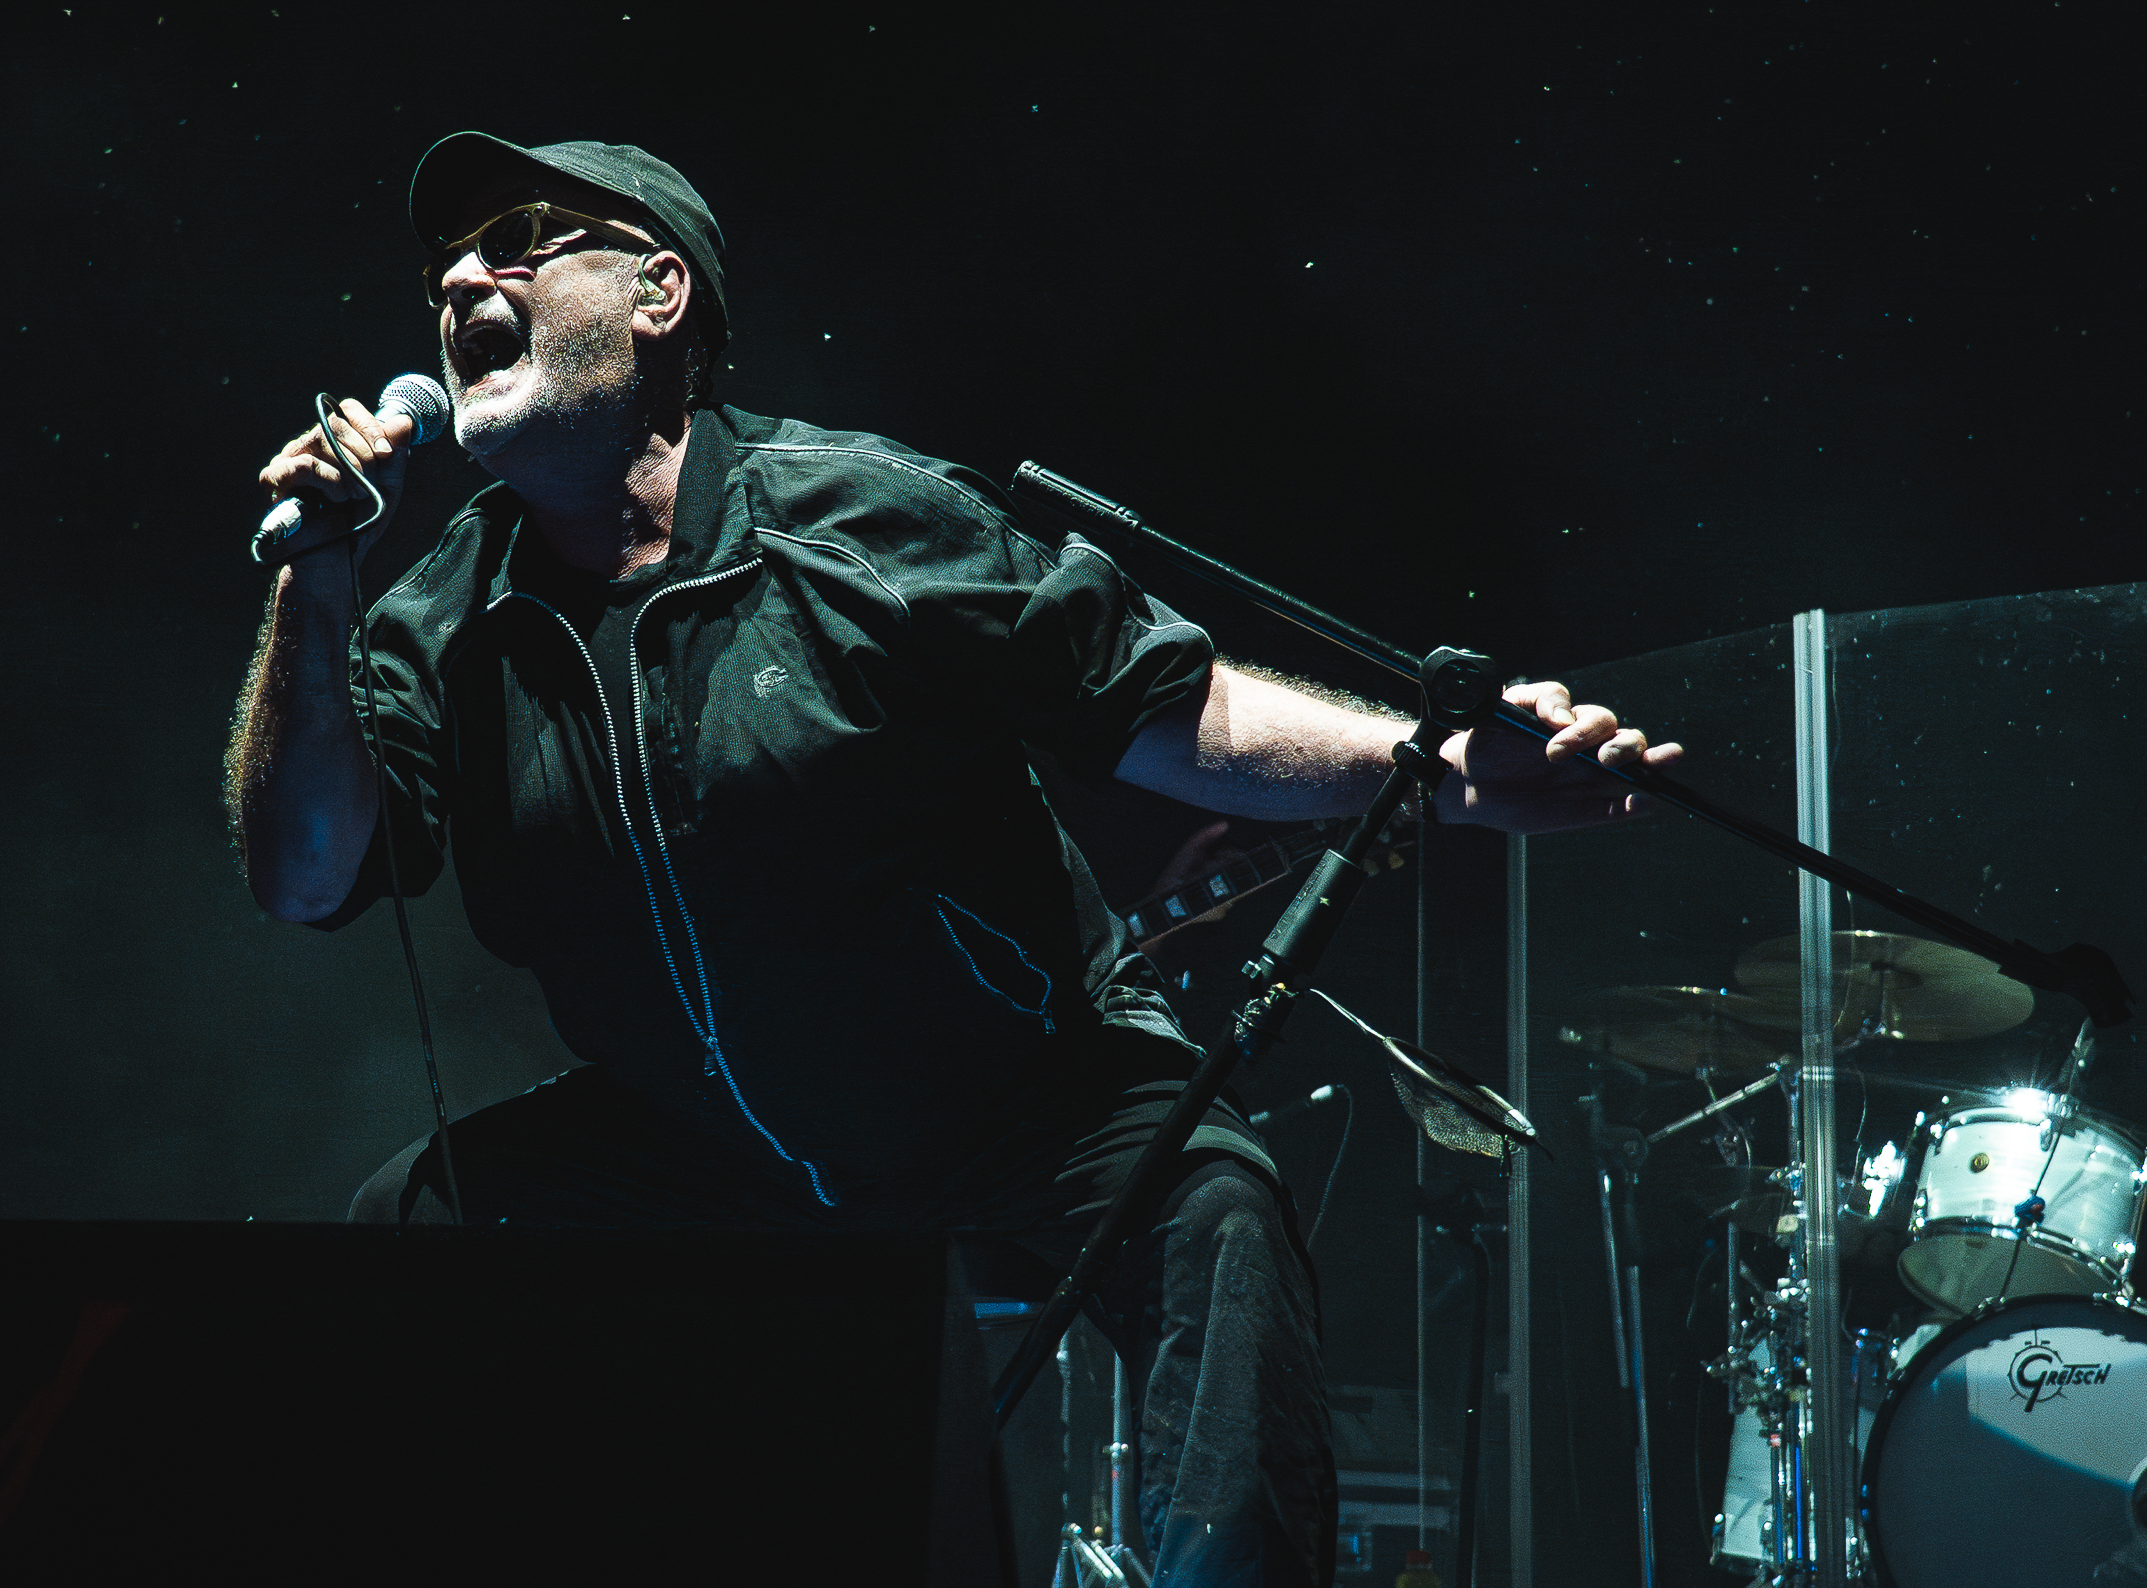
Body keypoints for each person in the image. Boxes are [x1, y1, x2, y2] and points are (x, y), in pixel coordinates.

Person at [224, 131, 1682, 1586]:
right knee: (416, 1217)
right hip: (698, 1141)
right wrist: (315, 583)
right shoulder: (436, 622)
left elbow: (1177, 709)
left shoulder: (865, 518)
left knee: (1214, 1212)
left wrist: (1447, 768)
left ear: (660, 293)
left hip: (1019, 1096)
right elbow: (303, 874)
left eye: (522, 242)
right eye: (447, 266)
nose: (462, 282)